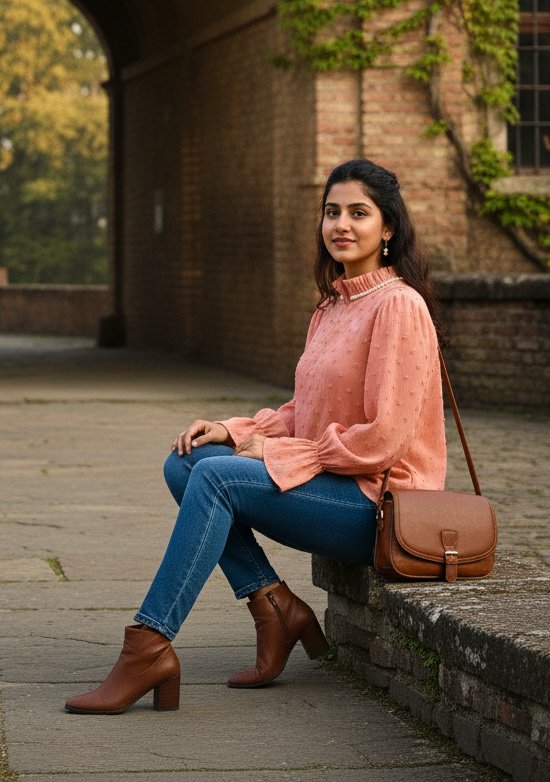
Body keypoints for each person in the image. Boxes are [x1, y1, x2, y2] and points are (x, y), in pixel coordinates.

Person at [64, 159, 446, 715]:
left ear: (388, 228)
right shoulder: (334, 305)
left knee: (218, 478)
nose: (341, 224)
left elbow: (384, 439)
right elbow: (304, 409)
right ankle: (275, 606)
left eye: (358, 213)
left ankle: (148, 644)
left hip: (381, 504)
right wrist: (233, 430)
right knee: (189, 461)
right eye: (331, 212)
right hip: (336, 485)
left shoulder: (399, 306)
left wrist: (283, 453)